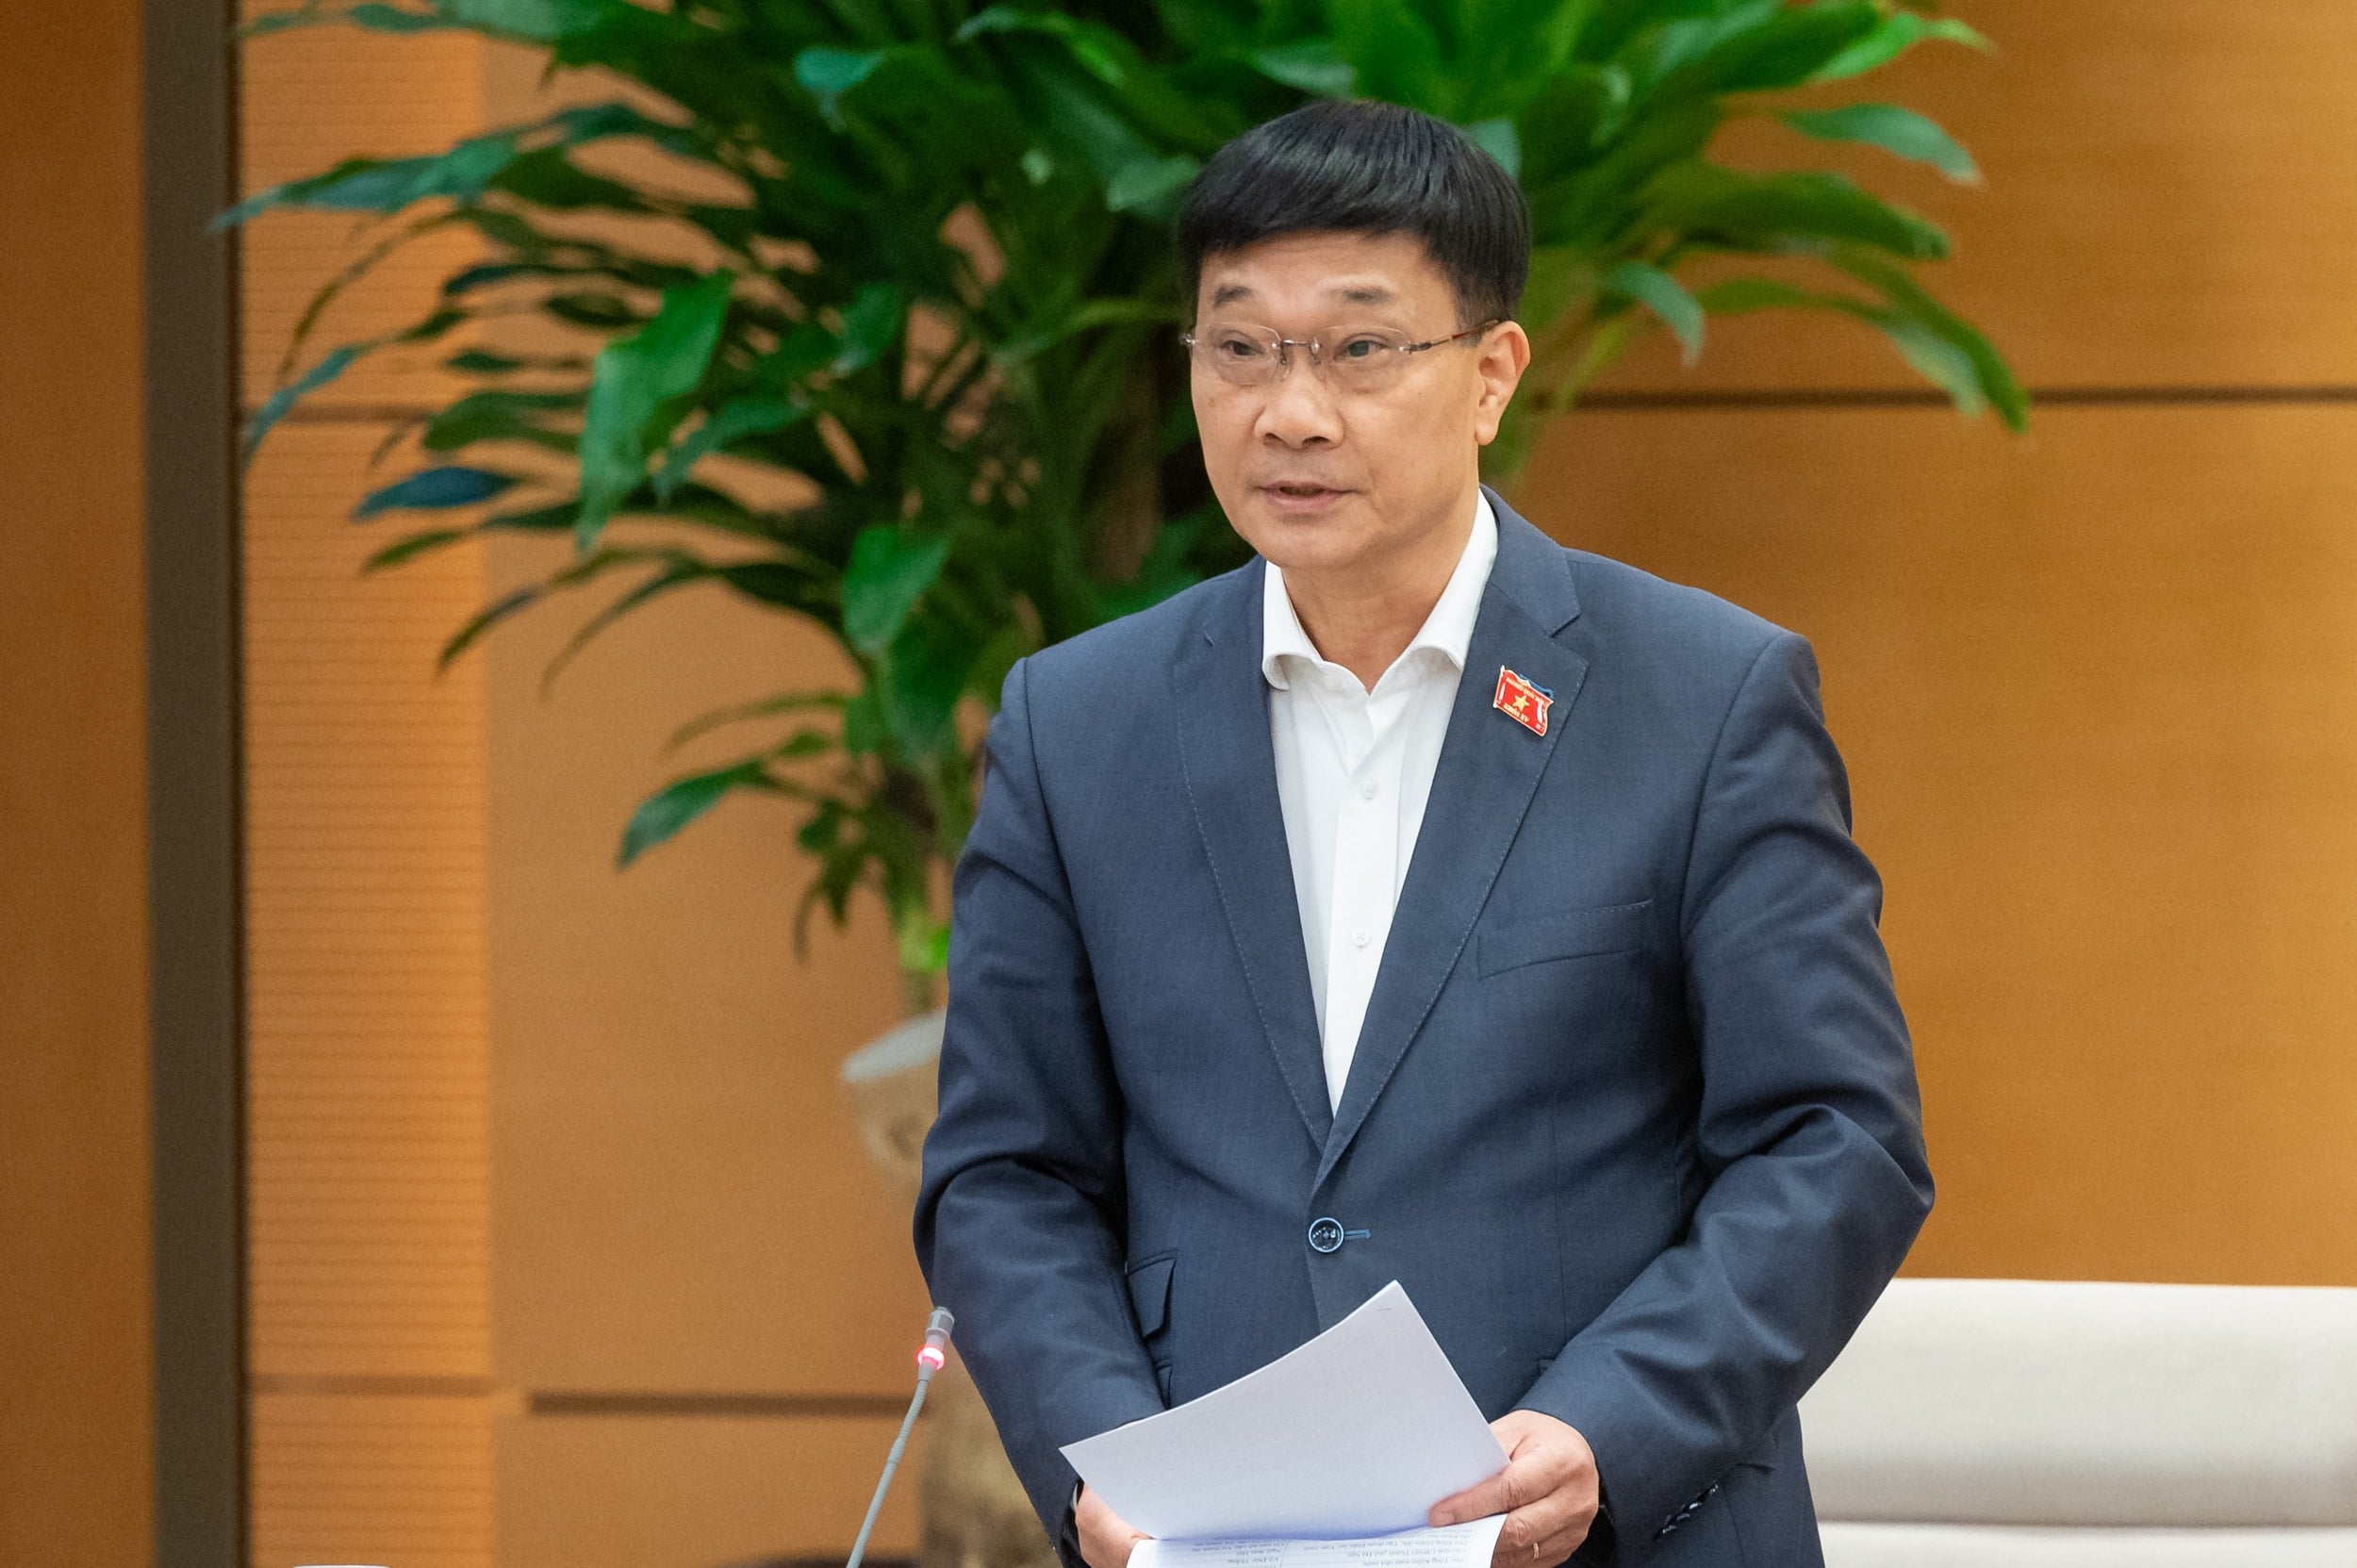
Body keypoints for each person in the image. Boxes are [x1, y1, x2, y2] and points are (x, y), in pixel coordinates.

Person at [914, 99, 1933, 1568]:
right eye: (1240, 347)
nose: (1291, 413)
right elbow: (1007, 1174)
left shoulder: (1704, 697)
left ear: (1491, 375)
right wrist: (1104, 1456)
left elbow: (1833, 1140)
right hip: (1219, 1545)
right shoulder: (1077, 724)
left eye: (1360, 349)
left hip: (1608, 1532)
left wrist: (1609, 1424)